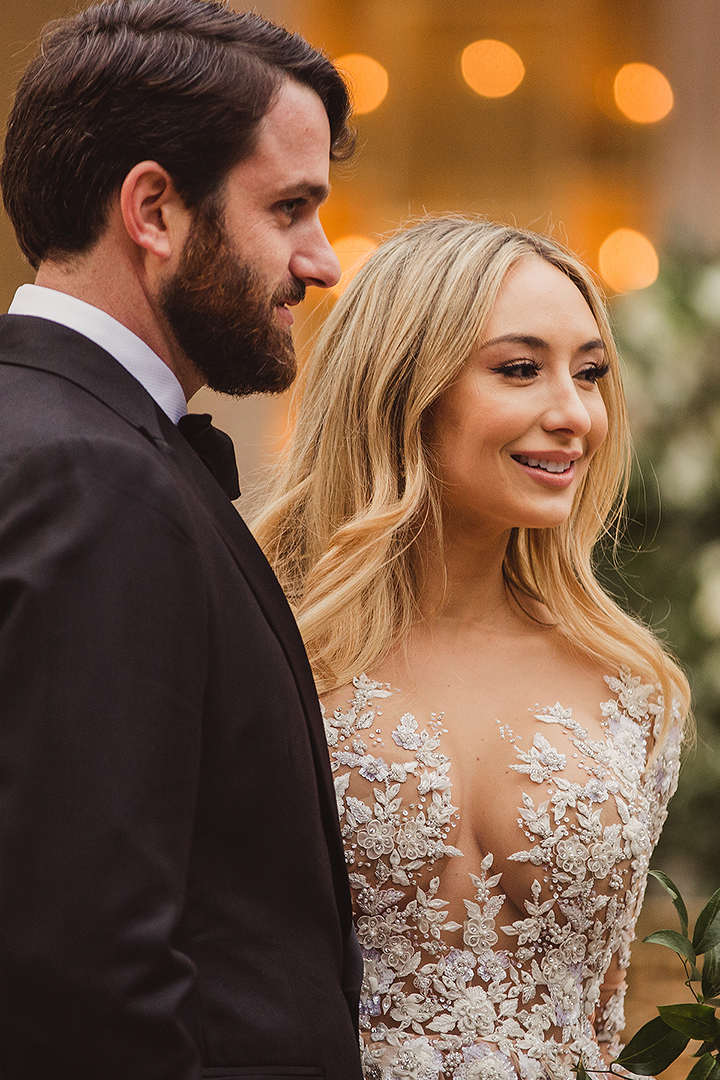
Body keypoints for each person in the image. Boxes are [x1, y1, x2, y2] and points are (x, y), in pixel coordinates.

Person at [0, 1, 364, 1077]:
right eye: (290, 207)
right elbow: (81, 967)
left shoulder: (61, 438)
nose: (323, 261)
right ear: (153, 209)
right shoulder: (95, 478)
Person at [253, 217, 690, 1080]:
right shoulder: (269, 652)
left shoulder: (633, 687)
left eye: (591, 373)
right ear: (404, 387)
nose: (574, 413)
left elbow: (602, 1023)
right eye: (520, 369)